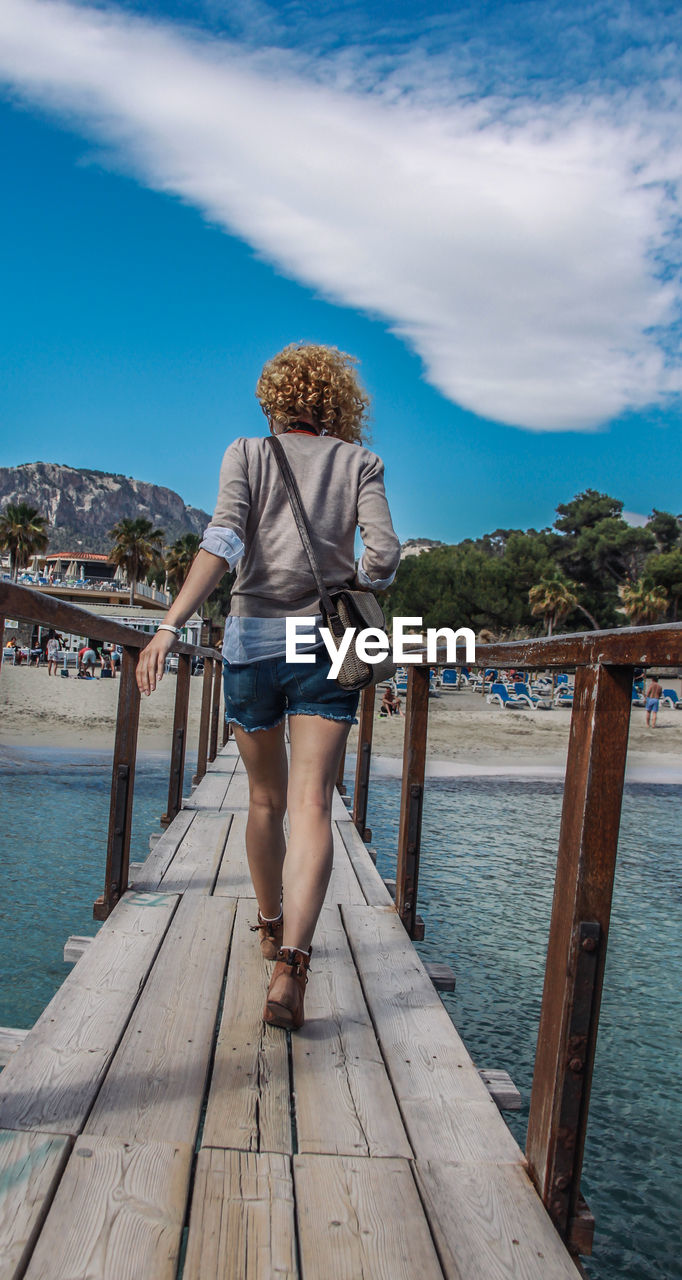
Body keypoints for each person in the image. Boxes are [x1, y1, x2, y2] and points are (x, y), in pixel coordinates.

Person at [136, 343, 400, 1030]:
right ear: (339, 403)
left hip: (253, 642)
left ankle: (267, 921)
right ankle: (294, 963)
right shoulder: (360, 462)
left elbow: (223, 542)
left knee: (264, 800)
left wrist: (170, 626)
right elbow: (385, 559)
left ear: (274, 399)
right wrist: (353, 580)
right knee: (314, 802)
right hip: (329, 644)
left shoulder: (246, 453)